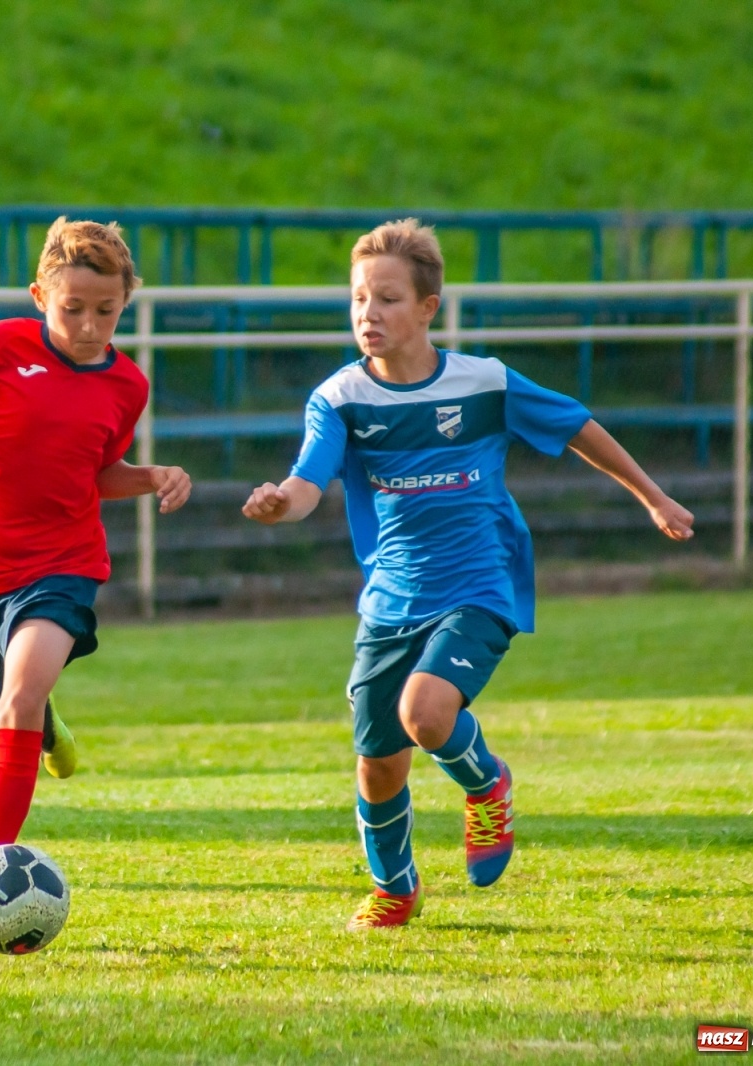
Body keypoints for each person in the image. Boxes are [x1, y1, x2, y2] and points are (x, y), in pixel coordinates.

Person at [242, 219, 694, 930]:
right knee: (378, 764)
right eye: (360, 298)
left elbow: (577, 426)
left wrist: (653, 496)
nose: (369, 313)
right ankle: (396, 889)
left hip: (482, 583)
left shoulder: (482, 383)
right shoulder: (340, 398)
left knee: (425, 715)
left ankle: (487, 787)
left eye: (388, 299)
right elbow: (308, 481)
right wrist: (278, 505)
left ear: (428, 308)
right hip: (392, 597)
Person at [0, 217, 191, 949]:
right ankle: (45, 727)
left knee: (17, 700)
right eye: (72, 309)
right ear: (38, 297)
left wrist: (152, 476)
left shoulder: (128, 384)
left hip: (61, 563)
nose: (90, 327)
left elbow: (93, 471)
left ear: (127, 302)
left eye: (107, 311)